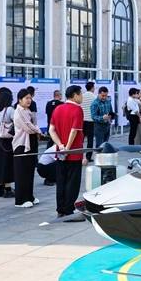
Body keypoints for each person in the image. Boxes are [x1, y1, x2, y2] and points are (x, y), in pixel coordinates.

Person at [50, 85, 87, 218]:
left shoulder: (58, 108)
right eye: (80, 94)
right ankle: (68, 210)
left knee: (61, 181)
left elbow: (51, 130)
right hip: (74, 152)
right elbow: (74, 130)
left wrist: (60, 145)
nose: (82, 97)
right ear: (75, 95)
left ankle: (60, 209)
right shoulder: (77, 109)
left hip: (60, 152)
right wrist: (68, 148)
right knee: (72, 182)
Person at [11, 88, 42, 207]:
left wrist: (36, 129)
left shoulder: (27, 111)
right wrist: (38, 130)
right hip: (21, 145)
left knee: (29, 171)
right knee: (21, 173)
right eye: (26, 98)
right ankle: (20, 200)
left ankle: (29, 196)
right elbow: (28, 127)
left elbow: (32, 125)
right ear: (20, 99)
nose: (29, 100)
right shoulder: (18, 112)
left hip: (30, 142)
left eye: (30, 98)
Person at [0, 87, 17, 194]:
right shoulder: (10, 110)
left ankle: (0, 187)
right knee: (8, 162)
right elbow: (17, 122)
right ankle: (8, 188)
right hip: (7, 139)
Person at [91, 86, 114, 151]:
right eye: (102, 95)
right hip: (99, 126)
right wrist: (102, 118)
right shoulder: (95, 103)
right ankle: (98, 156)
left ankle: (104, 156)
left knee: (106, 145)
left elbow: (111, 112)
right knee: (99, 146)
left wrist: (111, 117)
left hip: (107, 125)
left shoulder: (108, 101)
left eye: (106, 96)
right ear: (98, 94)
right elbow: (93, 116)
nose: (104, 97)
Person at [80, 81, 96, 160]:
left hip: (82, 120)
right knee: (90, 140)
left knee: (81, 139)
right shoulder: (94, 97)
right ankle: (88, 157)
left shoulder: (82, 96)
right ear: (92, 88)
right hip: (91, 121)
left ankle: (80, 156)